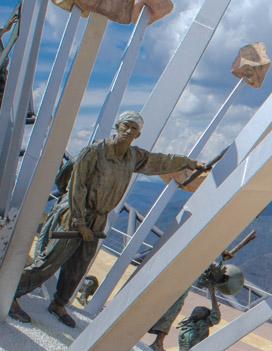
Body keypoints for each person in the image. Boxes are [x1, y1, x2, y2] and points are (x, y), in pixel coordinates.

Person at [8, 111, 204, 326]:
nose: (129, 131)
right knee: (49, 261)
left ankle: (59, 304)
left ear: (137, 135)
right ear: (118, 126)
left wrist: (188, 163)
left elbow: (159, 161)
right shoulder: (93, 152)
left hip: (98, 218)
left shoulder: (132, 157)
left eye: (134, 129)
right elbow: (76, 186)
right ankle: (10, 294)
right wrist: (80, 222)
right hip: (75, 213)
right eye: (126, 126)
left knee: (79, 266)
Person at [148, 259, 242, 351]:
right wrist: (211, 289)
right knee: (174, 306)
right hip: (182, 276)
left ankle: (158, 342)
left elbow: (201, 283)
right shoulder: (199, 324)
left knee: (175, 306)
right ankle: (158, 343)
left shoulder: (195, 323)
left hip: (184, 275)